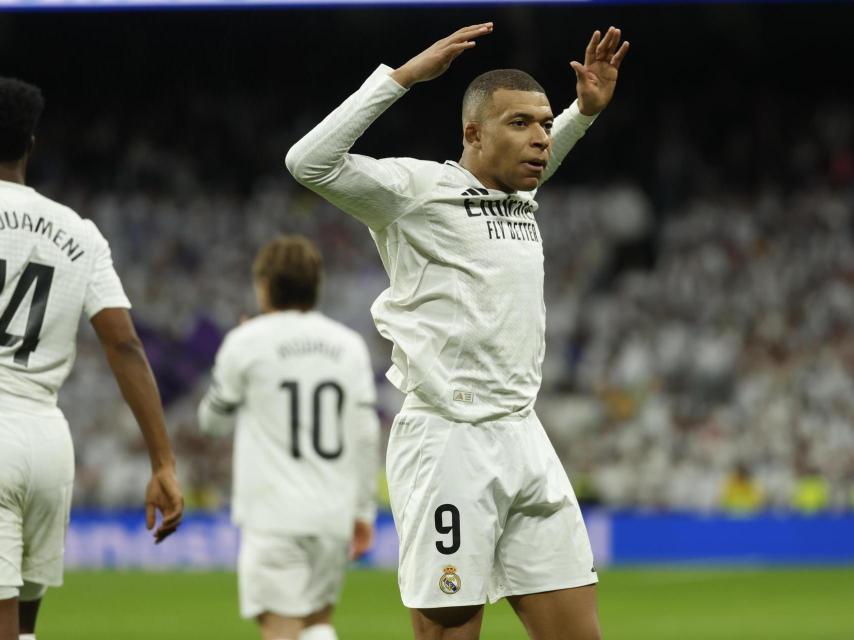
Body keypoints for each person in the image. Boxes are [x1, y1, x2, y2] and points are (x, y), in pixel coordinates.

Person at [286, 22, 629, 640]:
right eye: (521, 124)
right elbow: (308, 162)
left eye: (546, 124)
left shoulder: (517, 197)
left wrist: (584, 111)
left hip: (525, 435)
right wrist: (401, 79)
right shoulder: (416, 192)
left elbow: (537, 162)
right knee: (448, 630)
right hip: (449, 442)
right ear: (473, 133)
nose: (541, 139)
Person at [0, 77, 184, 640]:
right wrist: (162, 462)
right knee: (25, 624)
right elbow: (124, 343)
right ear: (31, 145)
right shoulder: (78, 232)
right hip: (47, 443)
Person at [198, 235, 380, 640]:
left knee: (281, 631)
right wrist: (363, 510)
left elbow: (212, 422)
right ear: (317, 284)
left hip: (273, 516)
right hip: (332, 514)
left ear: (264, 286)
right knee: (317, 626)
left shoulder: (246, 343)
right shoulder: (348, 346)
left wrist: (232, 366)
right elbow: (365, 434)